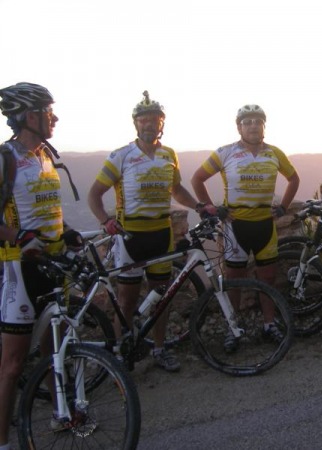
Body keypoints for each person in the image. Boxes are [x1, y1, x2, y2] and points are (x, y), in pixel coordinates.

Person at [88, 91, 200, 372]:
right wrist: (105, 220)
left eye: (155, 120)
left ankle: (160, 349)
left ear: (162, 124)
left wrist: (200, 205)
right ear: (136, 124)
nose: (149, 124)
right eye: (144, 120)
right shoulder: (122, 156)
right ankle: (117, 353)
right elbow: (94, 194)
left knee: (161, 297)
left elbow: (177, 190)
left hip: (161, 234)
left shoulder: (169, 155)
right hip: (130, 238)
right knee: (126, 299)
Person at [0, 82, 82, 449]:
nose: (55, 117)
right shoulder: (6, 158)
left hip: (52, 265)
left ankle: (61, 415)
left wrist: (66, 231)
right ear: (30, 116)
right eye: (49, 112)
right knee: (13, 365)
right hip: (19, 268)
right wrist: (17, 237)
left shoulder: (46, 155)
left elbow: (46, 208)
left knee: (56, 350)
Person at [191, 104, 299, 350]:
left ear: (264, 126)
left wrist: (283, 206)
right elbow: (197, 178)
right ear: (239, 127)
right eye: (247, 121)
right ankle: (233, 327)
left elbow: (294, 179)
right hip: (235, 225)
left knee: (268, 278)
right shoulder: (225, 152)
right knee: (234, 278)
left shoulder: (274, 153)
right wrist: (210, 207)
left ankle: (269, 324)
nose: (252, 125)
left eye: (257, 121)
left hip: (265, 224)